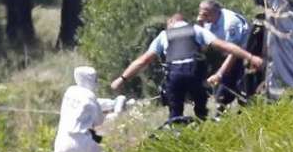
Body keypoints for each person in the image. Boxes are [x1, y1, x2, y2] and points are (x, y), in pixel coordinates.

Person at [111, 13, 262, 120]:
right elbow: (225, 46)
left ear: (171, 23)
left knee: (175, 113)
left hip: (175, 75)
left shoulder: (164, 35)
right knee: (202, 111)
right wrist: (250, 57)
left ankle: (176, 132)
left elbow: (142, 61)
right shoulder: (196, 30)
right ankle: (203, 128)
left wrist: (122, 79)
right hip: (194, 73)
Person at [197, 0, 254, 107]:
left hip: (242, 56)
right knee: (221, 96)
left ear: (214, 12)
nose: (202, 17)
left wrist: (219, 74)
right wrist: (200, 26)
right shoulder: (208, 22)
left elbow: (234, 52)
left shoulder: (230, 23)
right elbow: (204, 48)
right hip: (225, 56)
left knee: (242, 90)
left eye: (205, 14)